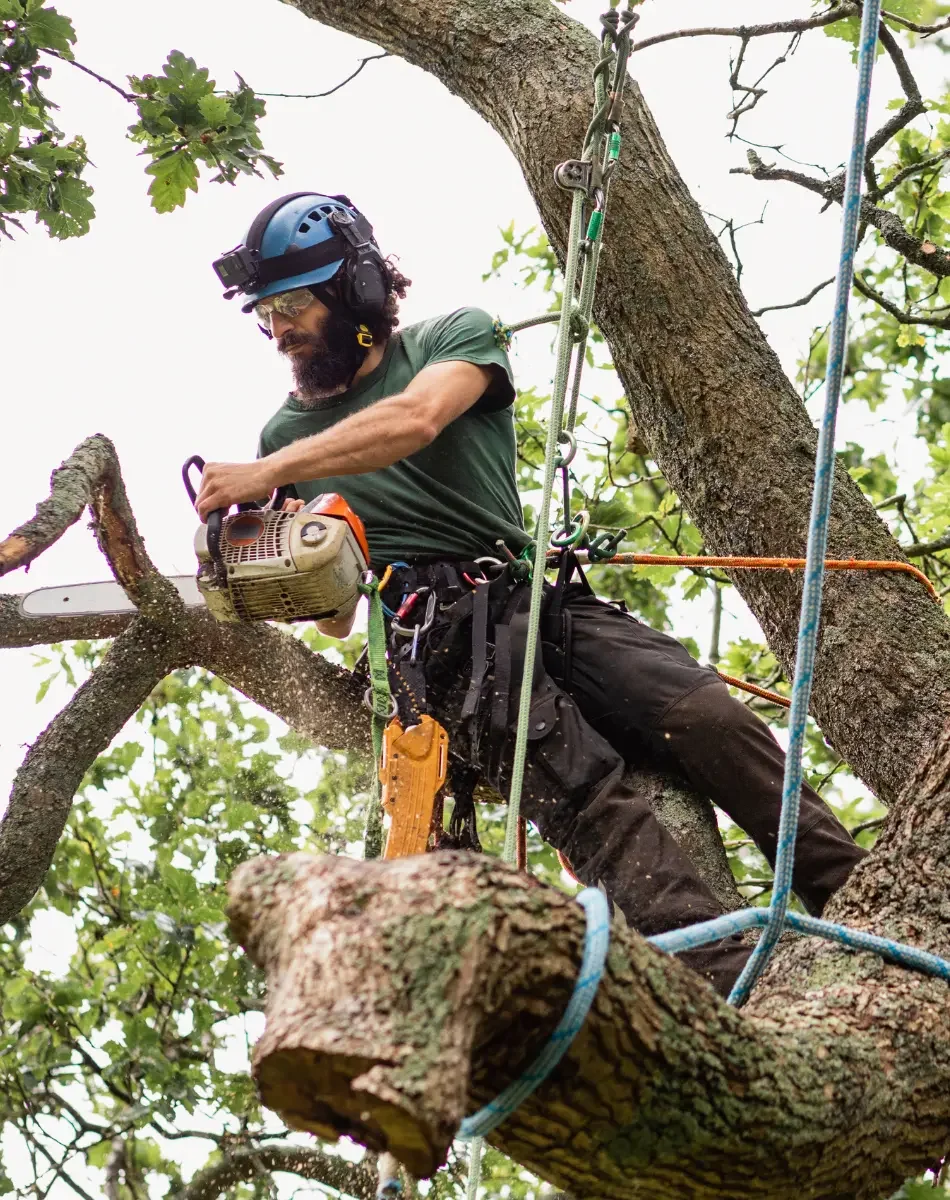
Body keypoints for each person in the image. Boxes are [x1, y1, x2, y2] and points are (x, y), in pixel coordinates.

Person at [196, 191, 865, 997]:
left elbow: (415, 421)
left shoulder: (454, 338)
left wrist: (269, 474)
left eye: (294, 304)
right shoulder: (285, 437)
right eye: (267, 313)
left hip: (530, 598)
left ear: (359, 291)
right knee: (589, 792)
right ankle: (733, 989)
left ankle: (861, 899)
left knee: (706, 715)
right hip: (436, 638)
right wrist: (280, 563)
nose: (280, 330)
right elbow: (340, 620)